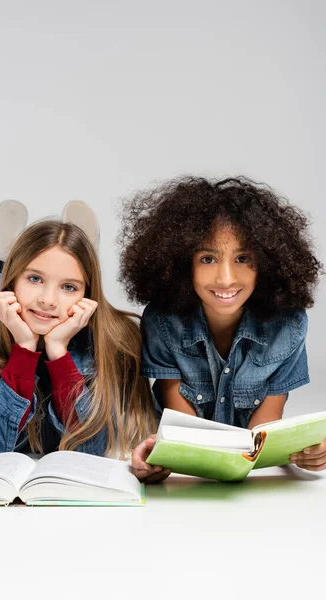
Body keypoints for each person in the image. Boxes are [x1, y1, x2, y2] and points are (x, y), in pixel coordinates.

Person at [118, 176, 326, 481]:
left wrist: (306, 453)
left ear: (266, 263)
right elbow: (185, 434)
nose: (226, 278)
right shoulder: (163, 322)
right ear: (181, 264)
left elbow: (261, 436)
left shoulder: (288, 326)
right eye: (207, 258)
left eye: (243, 258)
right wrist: (161, 458)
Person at [0, 200, 156, 458]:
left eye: (69, 286)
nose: (48, 299)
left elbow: (90, 450)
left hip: (73, 328)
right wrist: (24, 348)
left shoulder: (113, 340)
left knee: (33, 299)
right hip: (1, 314)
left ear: (87, 296)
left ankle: (72, 256)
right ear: (16, 279)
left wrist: (58, 352)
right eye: (34, 278)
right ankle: (1, 261)